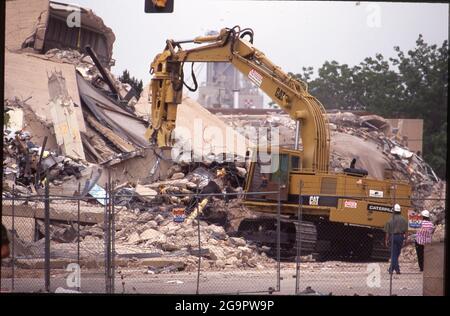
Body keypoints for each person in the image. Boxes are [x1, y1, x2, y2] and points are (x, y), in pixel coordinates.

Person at [384, 203, 408, 274]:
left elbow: (387, 232)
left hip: (393, 237)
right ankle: (393, 269)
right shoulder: (404, 220)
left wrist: (386, 240)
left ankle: (394, 269)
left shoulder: (390, 220)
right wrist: (406, 239)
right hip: (400, 237)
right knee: (397, 253)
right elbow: (406, 231)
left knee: (394, 254)